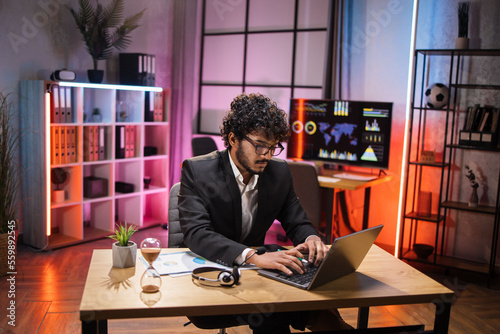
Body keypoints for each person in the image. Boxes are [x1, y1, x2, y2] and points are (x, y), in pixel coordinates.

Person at [178, 92, 352, 333]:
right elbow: (196, 234)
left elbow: (297, 220)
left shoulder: (278, 172)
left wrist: (310, 239)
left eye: (273, 147)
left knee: (294, 295)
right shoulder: (198, 171)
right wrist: (252, 256)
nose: (267, 155)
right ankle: (327, 322)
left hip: (259, 273)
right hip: (212, 273)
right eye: (260, 145)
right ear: (233, 138)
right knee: (285, 306)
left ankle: (327, 321)